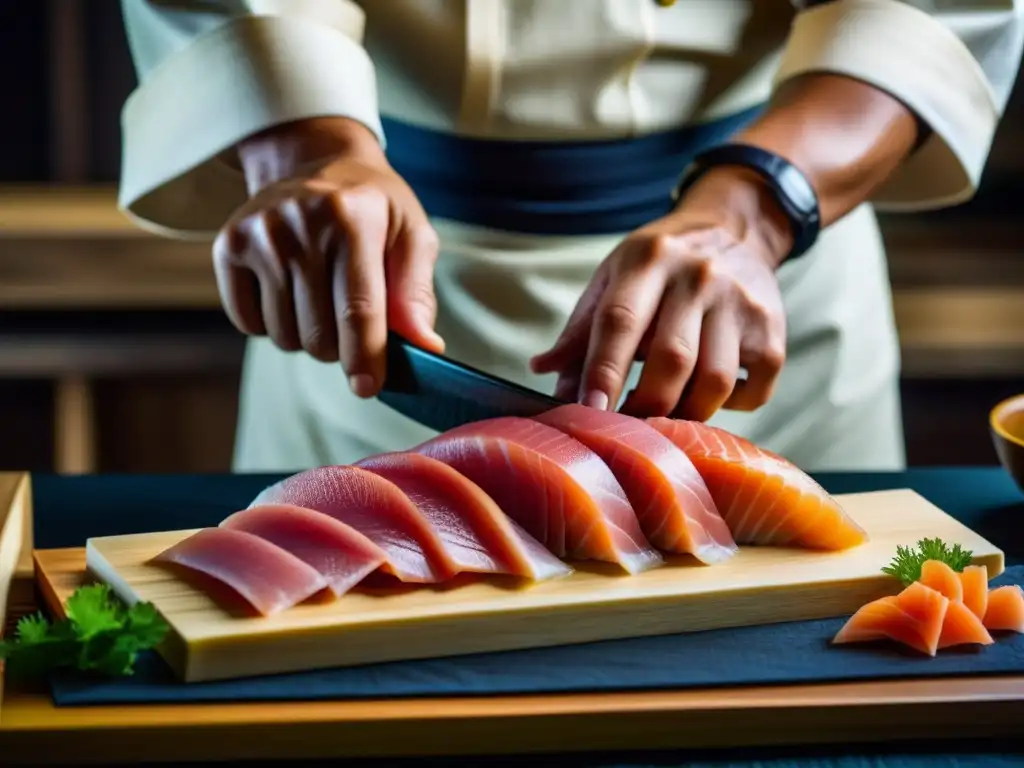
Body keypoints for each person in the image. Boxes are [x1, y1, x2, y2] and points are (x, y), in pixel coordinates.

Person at [117, 0, 1023, 474]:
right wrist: (305, 152)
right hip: (373, 289)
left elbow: (932, 11)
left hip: (757, 291)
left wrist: (752, 210)